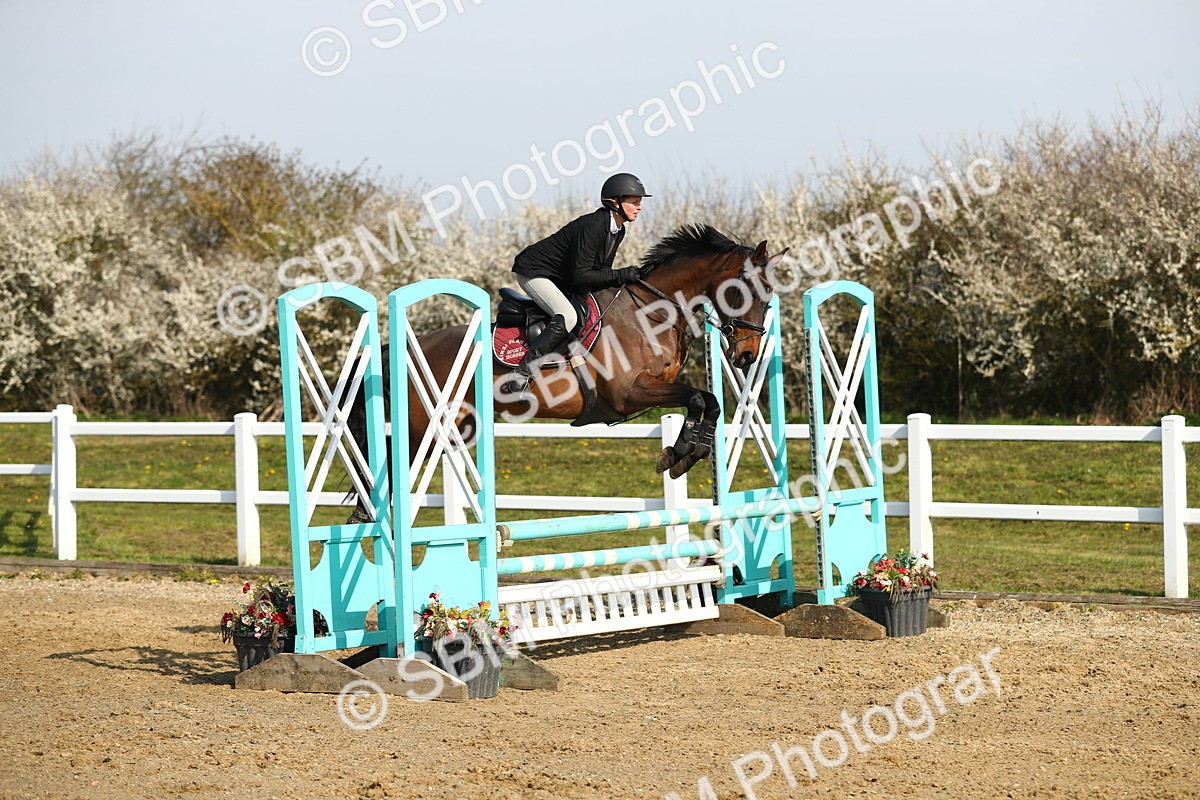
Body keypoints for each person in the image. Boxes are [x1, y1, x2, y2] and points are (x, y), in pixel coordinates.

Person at [504, 172, 651, 392]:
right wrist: (622, 275)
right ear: (615, 202)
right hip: (535, 272)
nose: (639, 206)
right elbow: (582, 275)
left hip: (561, 278)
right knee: (568, 316)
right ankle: (522, 374)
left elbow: (601, 271)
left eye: (640, 202)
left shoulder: (618, 230)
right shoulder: (593, 225)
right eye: (634, 201)